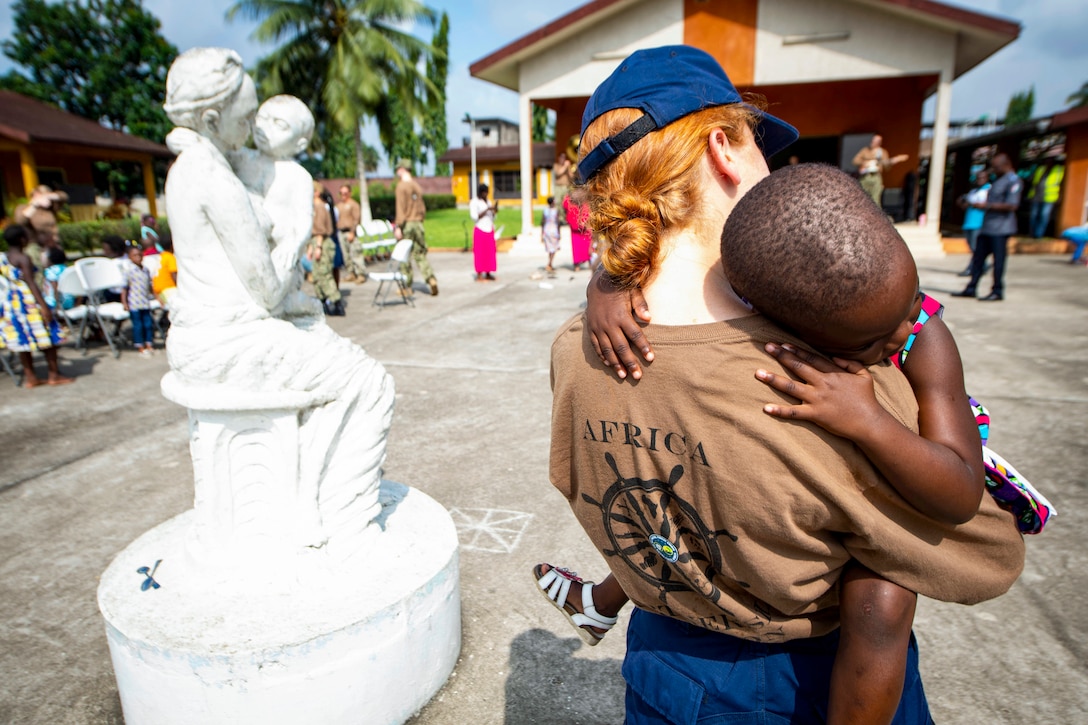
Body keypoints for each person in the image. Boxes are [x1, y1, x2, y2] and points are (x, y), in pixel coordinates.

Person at [542, 45, 1023, 724]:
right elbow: (978, 547)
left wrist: (606, 279)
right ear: (724, 149)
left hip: (659, 668)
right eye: (761, 147)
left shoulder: (578, 346)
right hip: (805, 686)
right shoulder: (826, 372)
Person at [161, 47, 393, 542]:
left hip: (211, 331)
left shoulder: (191, 166)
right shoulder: (213, 177)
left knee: (333, 351)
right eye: (248, 119)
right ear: (211, 118)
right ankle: (343, 519)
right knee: (371, 384)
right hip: (227, 339)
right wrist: (292, 237)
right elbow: (267, 289)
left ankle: (311, 497)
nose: (254, 130)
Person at [0, 225, 73, 387]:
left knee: (23, 340)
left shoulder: (4, 257)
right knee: (48, 337)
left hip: (12, 301)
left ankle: (31, 377)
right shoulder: (23, 258)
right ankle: (54, 374)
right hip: (28, 301)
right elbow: (31, 283)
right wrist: (44, 307)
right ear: (22, 239)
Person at [953, 153, 1022, 302]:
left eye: (996, 167)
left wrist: (986, 206)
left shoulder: (1013, 181)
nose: (994, 170)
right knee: (978, 259)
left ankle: (997, 290)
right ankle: (971, 288)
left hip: (1001, 228)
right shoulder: (998, 180)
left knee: (998, 262)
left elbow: (1012, 205)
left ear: (1006, 165)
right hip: (987, 227)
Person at [393, 158, 438, 296]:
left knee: (405, 255)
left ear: (401, 169)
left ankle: (407, 286)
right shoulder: (416, 186)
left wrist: (398, 226)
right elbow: (422, 209)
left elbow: (400, 208)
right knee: (420, 254)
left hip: (407, 224)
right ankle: (430, 279)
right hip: (418, 223)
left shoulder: (401, 187)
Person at [309, 181, 344, 316]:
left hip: (322, 242)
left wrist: (317, 246)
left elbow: (320, 230)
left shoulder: (319, 207)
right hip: (319, 242)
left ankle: (335, 302)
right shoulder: (318, 207)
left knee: (324, 274)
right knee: (317, 275)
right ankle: (324, 301)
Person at [852, 134, 909, 208]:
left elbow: (887, 167)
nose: (873, 142)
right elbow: (855, 161)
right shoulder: (865, 150)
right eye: (873, 140)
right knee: (861, 198)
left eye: (875, 141)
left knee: (875, 201)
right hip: (865, 177)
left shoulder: (882, 152)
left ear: (879, 143)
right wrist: (865, 163)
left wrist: (893, 161)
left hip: (876, 178)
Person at [121, 245, 156, 356]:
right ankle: (140, 345)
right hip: (134, 304)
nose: (138, 257)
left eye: (140, 255)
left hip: (145, 302)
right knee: (138, 326)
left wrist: (156, 297)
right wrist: (125, 303)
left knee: (148, 324)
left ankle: (149, 343)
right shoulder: (129, 271)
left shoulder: (145, 270)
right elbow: (124, 288)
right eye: (135, 255)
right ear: (130, 257)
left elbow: (150, 286)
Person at [956, 170, 991, 276]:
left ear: (987, 178)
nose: (979, 180)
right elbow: (965, 205)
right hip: (969, 223)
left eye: (982, 177)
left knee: (976, 248)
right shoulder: (973, 191)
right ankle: (983, 266)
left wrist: (973, 203)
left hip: (979, 224)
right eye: (978, 178)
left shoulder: (989, 189)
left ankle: (972, 268)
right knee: (972, 247)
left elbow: (986, 205)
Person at [336, 184, 368, 283]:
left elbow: (356, 219)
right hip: (341, 232)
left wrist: (352, 232)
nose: (343, 195)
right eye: (341, 193)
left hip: (350, 232)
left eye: (345, 193)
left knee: (355, 253)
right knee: (346, 255)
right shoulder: (338, 206)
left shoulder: (354, 204)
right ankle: (351, 273)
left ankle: (360, 273)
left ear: (349, 193)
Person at [1026, 157, 1064, 239]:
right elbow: (1033, 181)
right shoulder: (1040, 169)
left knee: (1044, 216)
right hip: (1036, 196)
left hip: (1049, 197)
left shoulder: (1059, 170)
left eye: (1050, 161)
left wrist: (1060, 196)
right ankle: (1032, 234)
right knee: (1033, 215)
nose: (1048, 163)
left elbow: (1062, 184)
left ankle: (1039, 235)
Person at [470, 183, 497, 281]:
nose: (486, 195)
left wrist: (494, 211)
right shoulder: (474, 202)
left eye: (487, 193)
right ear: (480, 192)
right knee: (480, 253)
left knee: (490, 252)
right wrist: (487, 209)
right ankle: (479, 274)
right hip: (480, 229)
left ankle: (488, 273)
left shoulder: (488, 202)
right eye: (484, 193)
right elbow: (474, 217)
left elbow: (492, 217)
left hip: (489, 228)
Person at [562, 192, 591, 271]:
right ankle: (589, 262)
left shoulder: (570, 196)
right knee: (587, 244)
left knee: (576, 246)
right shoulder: (585, 196)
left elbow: (565, 205)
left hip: (574, 222)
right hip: (584, 224)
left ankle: (577, 265)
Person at [151, 234, 178, 308]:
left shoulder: (161, 257)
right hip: (169, 289)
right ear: (172, 245)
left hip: (160, 291)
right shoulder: (170, 257)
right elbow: (174, 274)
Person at [541, 196, 560, 274]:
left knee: (550, 248)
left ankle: (550, 264)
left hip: (546, 229)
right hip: (553, 230)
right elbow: (558, 222)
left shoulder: (545, 210)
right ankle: (549, 263)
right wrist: (559, 232)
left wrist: (541, 232)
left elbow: (542, 222)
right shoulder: (555, 211)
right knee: (554, 248)